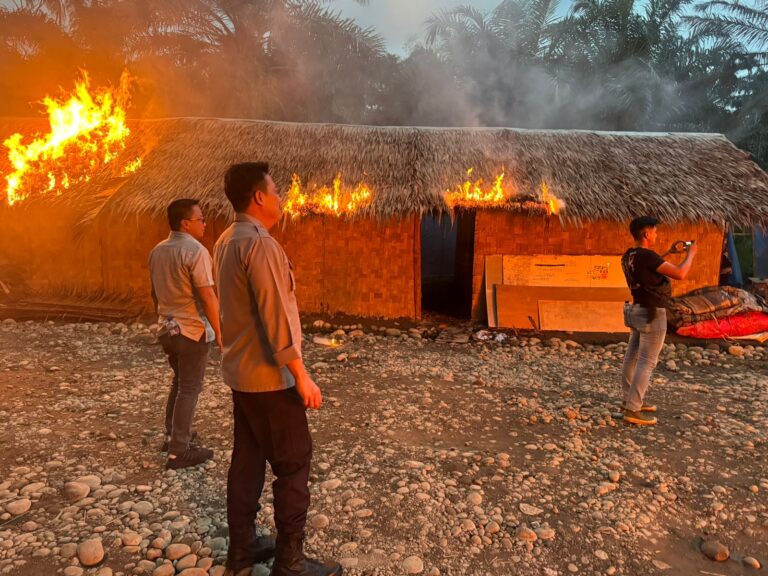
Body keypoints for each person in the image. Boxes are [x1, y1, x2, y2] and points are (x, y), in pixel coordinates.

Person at [213, 163, 341, 576]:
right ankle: (291, 564)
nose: (281, 198)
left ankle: (243, 548)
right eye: (276, 191)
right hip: (270, 379)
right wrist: (301, 375)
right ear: (259, 198)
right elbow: (277, 319)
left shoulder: (224, 240)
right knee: (294, 462)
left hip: (241, 376)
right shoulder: (261, 246)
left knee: (247, 459)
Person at [148, 199, 222, 469]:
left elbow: (154, 293)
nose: (204, 223)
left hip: (166, 328)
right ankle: (179, 451)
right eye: (200, 219)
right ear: (185, 223)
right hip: (191, 330)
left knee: (179, 383)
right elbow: (207, 295)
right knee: (190, 387)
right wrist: (221, 333)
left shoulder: (157, 251)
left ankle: (173, 436)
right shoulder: (196, 251)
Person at [620, 216, 697, 426]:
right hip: (652, 313)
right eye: (654, 232)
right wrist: (690, 255)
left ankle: (629, 399)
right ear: (646, 234)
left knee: (632, 356)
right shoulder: (647, 256)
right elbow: (680, 273)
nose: (656, 235)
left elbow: (648, 268)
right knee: (646, 362)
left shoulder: (629, 256)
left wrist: (670, 253)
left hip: (636, 309)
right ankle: (633, 409)